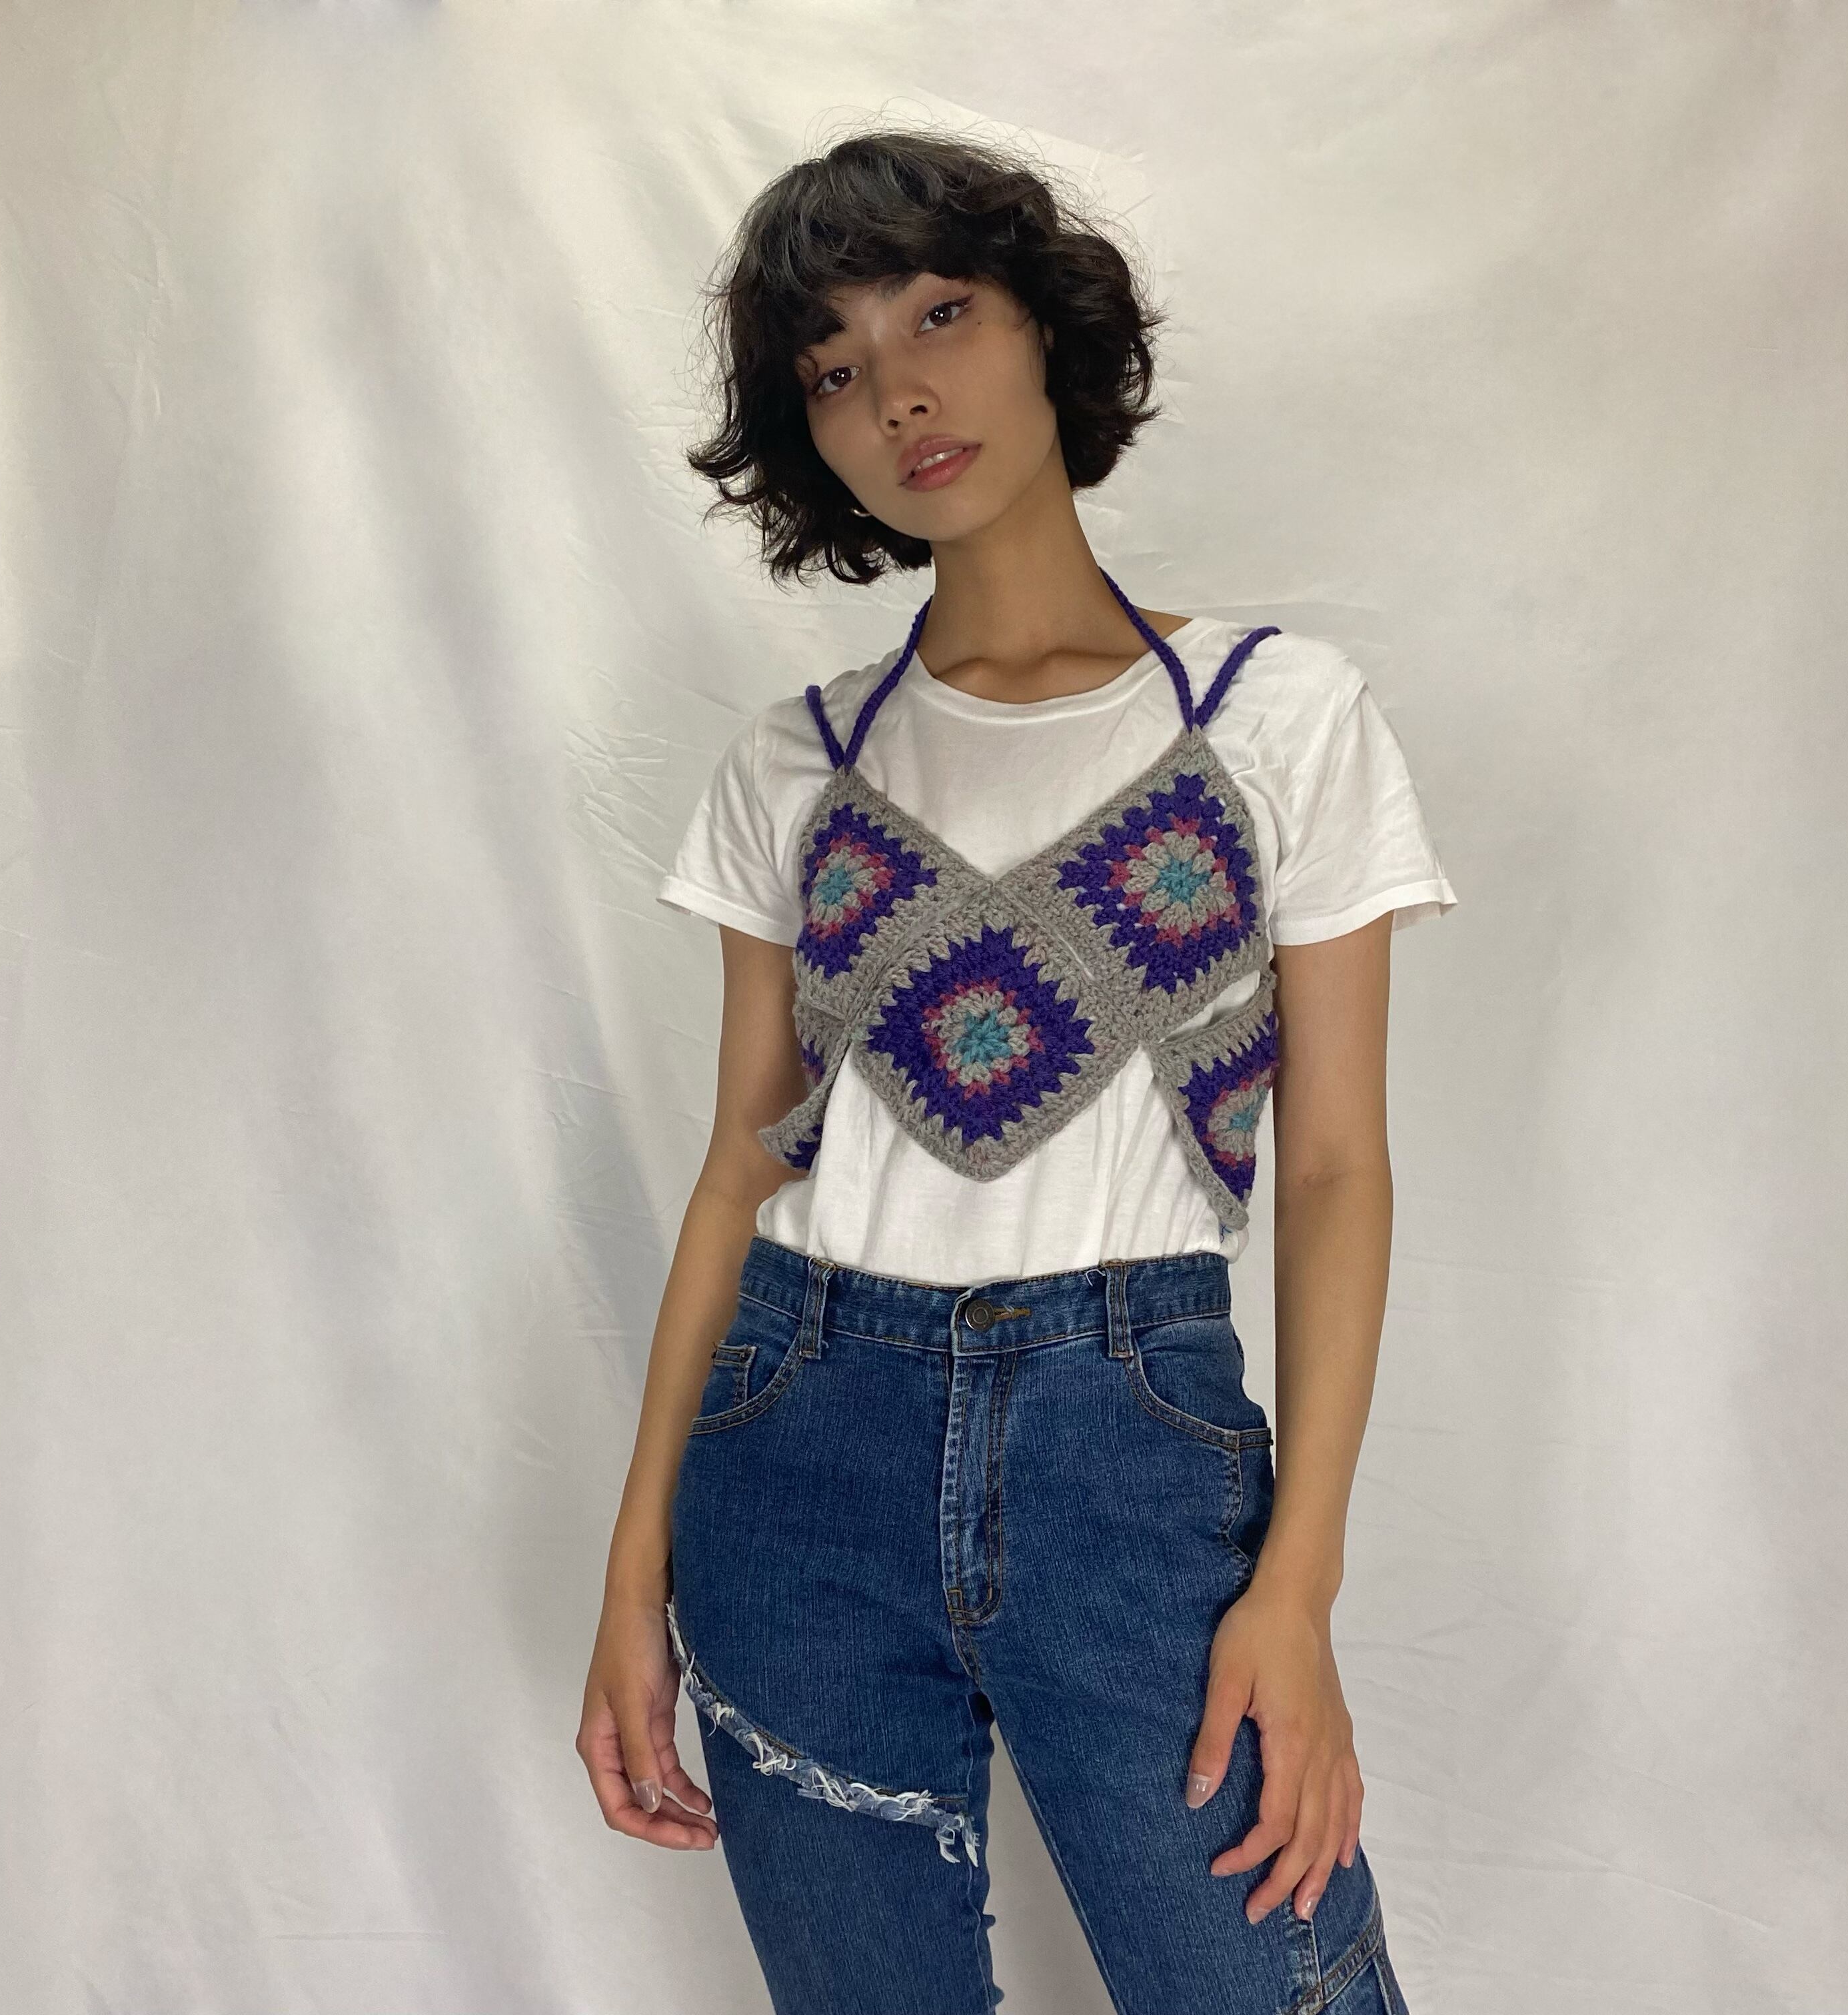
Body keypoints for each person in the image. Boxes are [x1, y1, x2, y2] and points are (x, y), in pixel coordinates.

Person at [577, 126, 1455, 2015]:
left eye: (939, 315)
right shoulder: (796, 765)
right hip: (793, 1456)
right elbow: (742, 1165)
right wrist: (634, 1570)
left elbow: (1333, 1171)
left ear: (1045, 327)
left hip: (1128, 1448)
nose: (897, 392)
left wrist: (1295, 1588)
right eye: (832, 369)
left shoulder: (1277, 718)